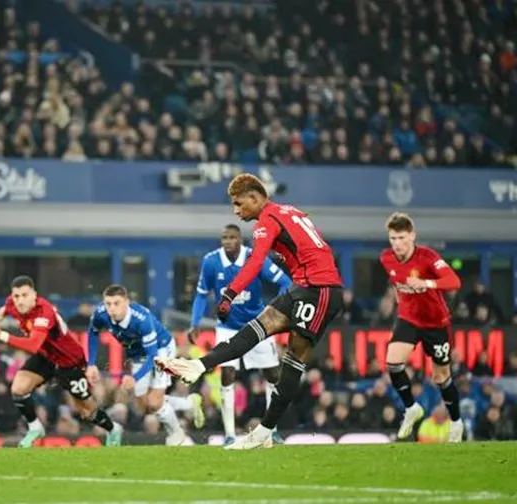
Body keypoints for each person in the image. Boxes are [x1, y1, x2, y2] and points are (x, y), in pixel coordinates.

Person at [156, 173, 344, 449]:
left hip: (320, 289)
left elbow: (256, 261)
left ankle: (265, 431)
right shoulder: (288, 210)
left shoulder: (267, 220)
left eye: (239, 203)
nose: (236, 211)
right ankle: (199, 365)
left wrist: (229, 293)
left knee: (293, 359)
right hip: (304, 285)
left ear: (255, 198)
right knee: (256, 327)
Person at [0, 276, 123, 448]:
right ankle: (35, 427)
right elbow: (5, 308)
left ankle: (113, 429)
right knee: (18, 388)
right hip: (46, 356)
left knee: (86, 410)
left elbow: (32, 345)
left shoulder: (44, 312)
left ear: (34, 295)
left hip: (69, 361)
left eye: (25, 295)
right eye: (16, 296)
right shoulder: (13, 302)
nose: (20, 300)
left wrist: (0, 334)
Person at [189, 224, 291, 446]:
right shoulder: (211, 261)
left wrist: (278, 308)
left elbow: (285, 282)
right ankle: (229, 435)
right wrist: (194, 323)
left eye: (232, 237)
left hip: (259, 325)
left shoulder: (256, 258)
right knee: (227, 375)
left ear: (240, 240)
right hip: (227, 326)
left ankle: (271, 429)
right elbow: (200, 295)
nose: (227, 241)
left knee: (273, 375)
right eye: (224, 237)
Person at [379, 212, 464, 442]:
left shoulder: (428, 257)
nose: (397, 244)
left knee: (441, 377)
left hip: (436, 323)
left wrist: (426, 283)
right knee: (393, 363)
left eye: (402, 238)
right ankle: (411, 408)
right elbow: (397, 283)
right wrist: (402, 300)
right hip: (408, 318)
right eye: (393, 238)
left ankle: (456, 422)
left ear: (412, 236)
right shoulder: (386, 258)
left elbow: (454, 281)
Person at [87, 284, 204, 446]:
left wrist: (135, 377)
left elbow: (152, 357)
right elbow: (93, 332)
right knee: (143, 406)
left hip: (161, 350)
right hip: (137, 355)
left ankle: (178, 437)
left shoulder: (142, 320)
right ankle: (190, 403)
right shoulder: (101, 313)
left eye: (117, 303)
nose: (111, 308)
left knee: (155, 402)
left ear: (127, 302)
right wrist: (91, 363)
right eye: (108, 303)